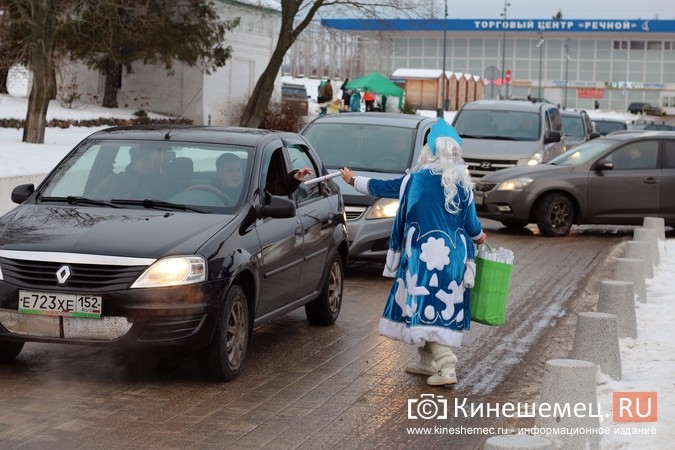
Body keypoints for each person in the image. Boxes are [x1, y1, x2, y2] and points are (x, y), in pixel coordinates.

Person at [339, 118, 486, 386]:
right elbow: (472, 224)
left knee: (424, 307)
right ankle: (427, 360)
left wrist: (352, 180)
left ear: (428, 150)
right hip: (454, 258)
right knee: (437, 308)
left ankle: (446, 366)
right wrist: (479, 237)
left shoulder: (415, 180)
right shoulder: (462, 181)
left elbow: (381, 187)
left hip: (423, 257)